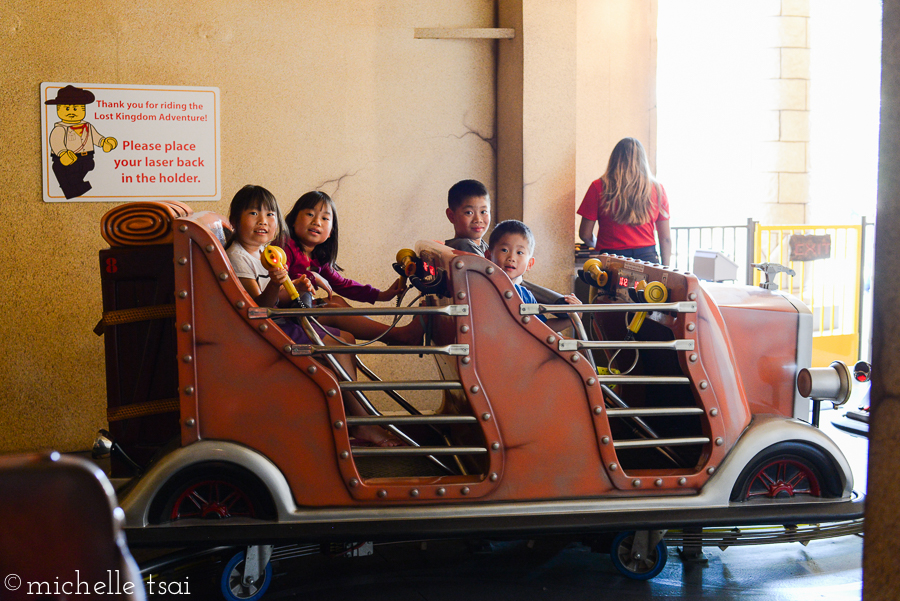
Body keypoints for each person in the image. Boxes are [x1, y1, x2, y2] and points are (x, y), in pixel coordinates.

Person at [226, 185, 400, 447]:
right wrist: (279, 283)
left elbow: (334, 284)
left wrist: (294, 285)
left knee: (346, 336)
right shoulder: (239, 256)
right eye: (253, 213)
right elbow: (257, 307)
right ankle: (362, 423)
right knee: (337, 345)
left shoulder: (264, 252)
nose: (263, 221)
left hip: (278, 320)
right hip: (266, 331)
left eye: (270, 215)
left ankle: (350, 416)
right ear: (234, 222)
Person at [283, 190, 422, 345]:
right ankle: (398, 336)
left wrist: (382, 295)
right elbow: (280, 282)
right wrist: (311, 276)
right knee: (334, 309)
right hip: (286, 312)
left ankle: (390, 334)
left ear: (330, 233)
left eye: (325, 218)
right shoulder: (285, 246)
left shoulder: (318, 258)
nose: (317, 221)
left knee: (337, 300)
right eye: (310, 214)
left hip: (300, 308)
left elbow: (344, 285)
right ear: (293, 220)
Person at [577, 137, 672, 265]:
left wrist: (595, 244)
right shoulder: (657, 189)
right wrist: (666, 271)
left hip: (611, 258)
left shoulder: (598, 186)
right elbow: (665, 239)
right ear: (642, 160)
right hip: (647, 258)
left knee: (609, 285)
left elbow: (585, 234)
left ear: (614, 159)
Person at [488, 220, 581, 332]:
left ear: (530, 264)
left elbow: (541, 328)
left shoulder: (525, 295)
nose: (511, 257)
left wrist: (574, 316)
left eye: (520, 252)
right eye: (504, 250)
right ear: (488, 256)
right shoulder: (481, 288)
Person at [44, 85, 118, 199]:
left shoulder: (88, 126)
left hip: (86, 159)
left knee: (72, 183)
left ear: (84, 109)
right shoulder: (60, 128)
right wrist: (62, 153)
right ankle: (79, 189)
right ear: (58, 109)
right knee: (68, 181)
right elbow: (56, 142)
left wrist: (104, 142)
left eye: (76, 108)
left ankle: (77, 189)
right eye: (67, 109)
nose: (71, 112)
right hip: (67, 160)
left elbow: (96, 137)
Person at [444, 179, 492, 256]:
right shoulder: (464, 247)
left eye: (483, 212)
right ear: (451, 216)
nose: (478, 219)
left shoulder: (482, 245)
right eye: (469, 213)